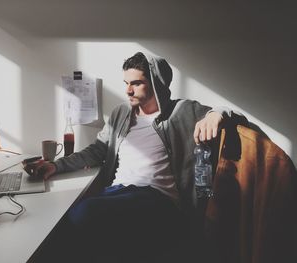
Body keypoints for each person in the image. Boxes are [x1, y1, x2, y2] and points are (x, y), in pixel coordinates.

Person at [25, 52, 247, 263]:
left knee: (83, 215)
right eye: (126, 83)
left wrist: (216, 115)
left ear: (156, 84)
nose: (128, 90)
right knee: (64, 220)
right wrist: (56, 166)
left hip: (159, 198)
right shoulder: (121, 114)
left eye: (136, 83)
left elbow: (234, 114)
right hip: (118, 191)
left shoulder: (182, 111)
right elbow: (97, 150)